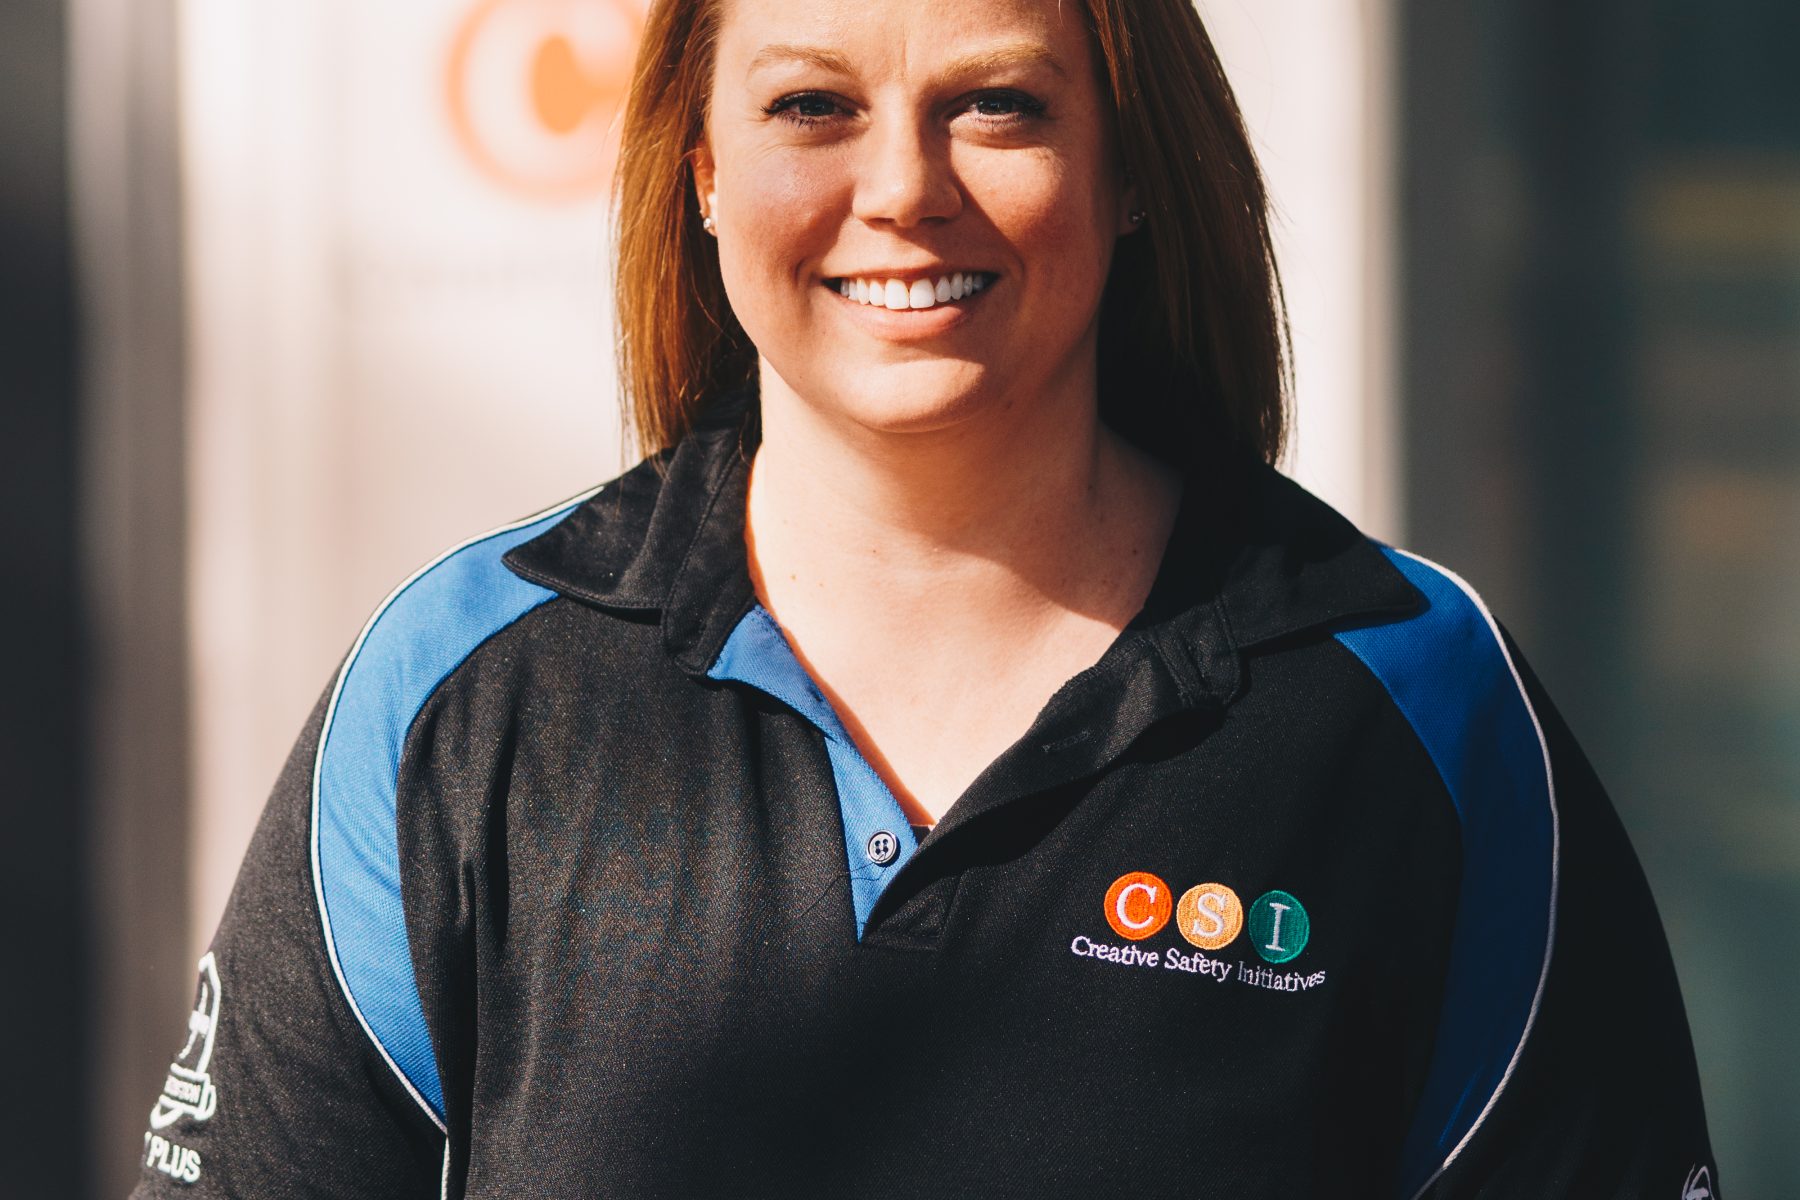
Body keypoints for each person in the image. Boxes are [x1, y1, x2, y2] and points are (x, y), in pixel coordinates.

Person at [131, 0, 1719, 1194]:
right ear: (702, 170)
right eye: (812, 105)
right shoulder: (464, 694)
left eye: (997, 105)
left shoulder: (1409, 698)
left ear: (1130, 166)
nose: (903, 186)